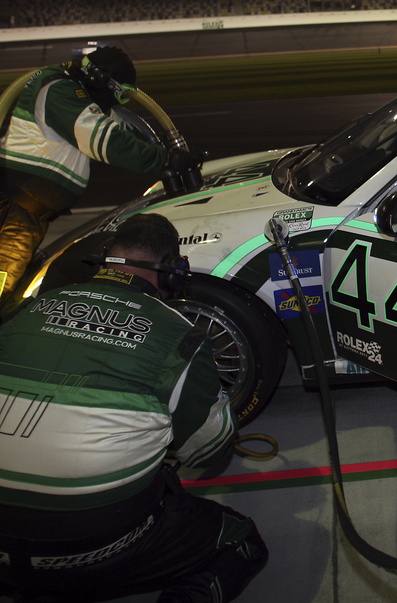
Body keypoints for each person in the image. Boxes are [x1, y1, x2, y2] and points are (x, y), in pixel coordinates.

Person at [0, 213, 267, 602]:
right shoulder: (180, 336)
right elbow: (208, 452)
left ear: (103, 257)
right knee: (240, 541)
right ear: (174, 271)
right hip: (89, 545)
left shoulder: (26, 310)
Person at [0, 45, 200, 304]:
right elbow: (109, 141)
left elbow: (123, 128)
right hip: (15, 211)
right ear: (99, 78)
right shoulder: (59, 91)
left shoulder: (75, 90)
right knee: (3, 287)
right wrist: (166, 158)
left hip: (25, 211)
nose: (117, 102)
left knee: (11, 287)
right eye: (118, 94)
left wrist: (167, 146)